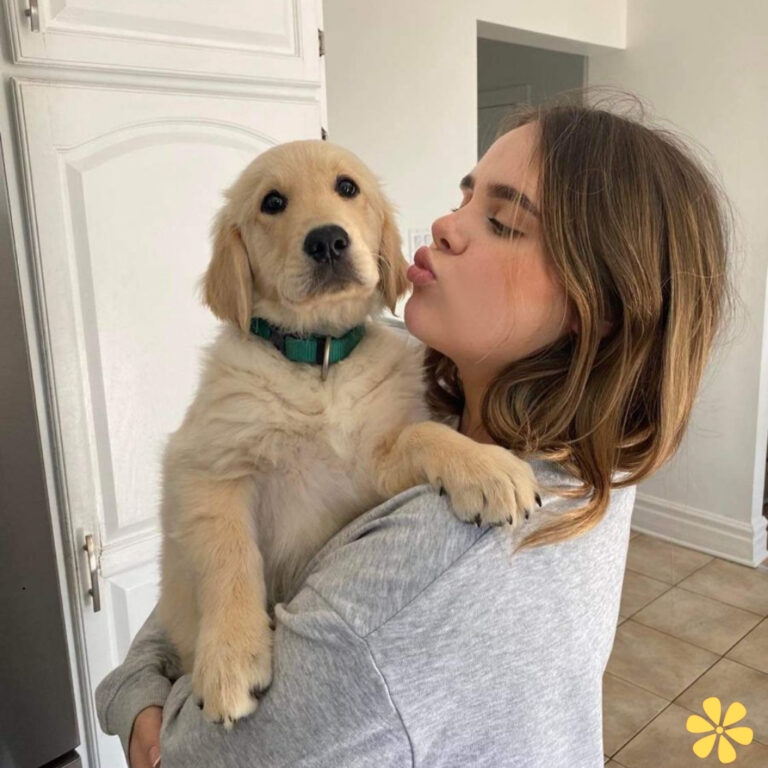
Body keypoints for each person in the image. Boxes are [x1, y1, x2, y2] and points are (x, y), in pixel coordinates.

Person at [95, 88, 737, 767]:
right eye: (464, 197)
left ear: (596, 303)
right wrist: (148, 671)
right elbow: (211, 513)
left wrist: (139, 701)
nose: (446, 225)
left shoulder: (421, 579)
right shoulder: (466, 393)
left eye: (503, 221)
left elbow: (194, 755)